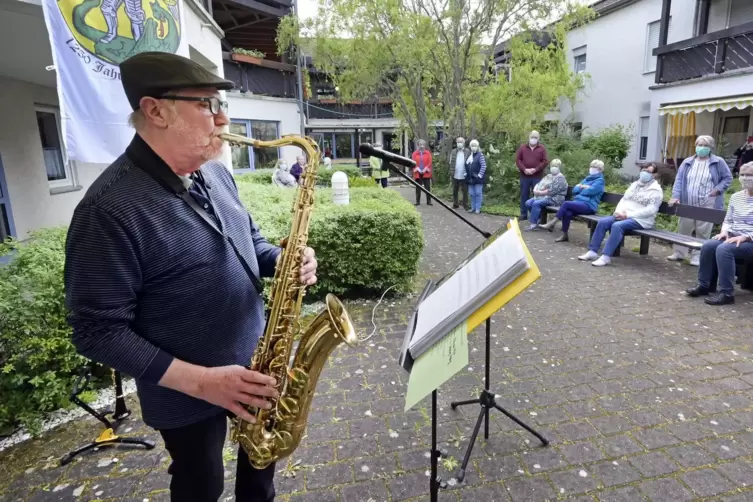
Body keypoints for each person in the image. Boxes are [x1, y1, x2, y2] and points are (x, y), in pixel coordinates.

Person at [63, 52, 319, 502]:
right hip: (185, 393)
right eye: (205, 104)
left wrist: (282, 262)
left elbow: (250, 240)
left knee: (260, 474)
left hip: (259, 362)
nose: (222, 118)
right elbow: (96, 331)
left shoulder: (216, 174)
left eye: (220, 105)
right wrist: (204, 382)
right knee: (202, 486)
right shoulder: (107, 210)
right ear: (155, 110)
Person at [686, 161, 753, 305]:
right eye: (742, 175)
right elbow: (728, 219)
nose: (745, 178)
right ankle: (705, 285)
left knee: (724, 249)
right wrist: (725, 232)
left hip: (750, 241)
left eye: (749, 175)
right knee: (709, 245)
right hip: (734, 237)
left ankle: (726, 293)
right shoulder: (736, 197)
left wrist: (747, 236)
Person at [578, 164, 663, 266]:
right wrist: (618, 212)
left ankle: (606, 257)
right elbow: (624, 199)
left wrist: (628, 215)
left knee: (617, 226)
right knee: (603, 222)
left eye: (649, 172)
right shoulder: (634, 185)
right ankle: (593, 251)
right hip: (624, 215)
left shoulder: (656, 191)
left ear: (654, 175)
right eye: (644, 170)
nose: (645, 173)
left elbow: (651, 210)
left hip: (642, 220)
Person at [667, 135, 733, 266]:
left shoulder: (718, 162)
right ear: (695, 146)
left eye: (705, 146)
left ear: (710, 148)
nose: (702, 148)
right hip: (687, 201)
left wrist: (718, 189)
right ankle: (679, 253)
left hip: (707, 202)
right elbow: (679, 180)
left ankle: (697, 256)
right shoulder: (687, 162)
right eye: (699, 145)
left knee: (702, 232)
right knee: (684, 228)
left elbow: (728, 178)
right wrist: (675, 196)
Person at [541, 160, 605, 242]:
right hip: (579, 204)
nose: (592, 168)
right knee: (567, 212)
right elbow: (575, 190)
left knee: (566, 204)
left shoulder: (600, 181)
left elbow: (590, 192)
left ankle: (552, 223)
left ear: (600, 169)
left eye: (594, 167)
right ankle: (564, 235)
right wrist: (584, 187)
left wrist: (581, 188)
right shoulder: (587, 179)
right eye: (591, 166)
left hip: (589, 206)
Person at [524, 159, 568, 231]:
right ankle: (538, 219)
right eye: (552, 166)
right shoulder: (549, 176)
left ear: (559, 167)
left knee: (536, 203)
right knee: (528, 203)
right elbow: (539, 184)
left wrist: (539, 192)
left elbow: (552, 191)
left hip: (555, 198)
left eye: (556, 166)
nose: (554, 167)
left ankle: (533, 224)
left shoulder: (560, 178)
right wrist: (535, 189)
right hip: (543, 196)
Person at [516, 130, 549, 220]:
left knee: (538, 196)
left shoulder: (542, 148)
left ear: (538, 139)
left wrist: (535, 169)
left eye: (535, 138)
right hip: (525, 176)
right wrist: (524, 169)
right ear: (529, 138)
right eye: (532, 137)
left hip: (537, 176)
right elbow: (518, 160)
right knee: (524, 195)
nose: (533, 139)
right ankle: (523, 214)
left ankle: (537, 215)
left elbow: (545, 161)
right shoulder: (523, 148)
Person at [466, 139, 487, 214]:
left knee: (478, 193)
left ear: (477, 146)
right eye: (472, 146)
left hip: (478, 178)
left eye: (475, 145)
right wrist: (466, 173)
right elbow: (467, 165)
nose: (473, 147)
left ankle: (478, 208)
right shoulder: (469, 155)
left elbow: (484, 166)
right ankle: (473, 207)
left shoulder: (480, 155)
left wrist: (479, 175)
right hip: (470, 178)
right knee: (472, 193)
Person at [449, 136, 471, 209]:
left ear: (464, 143)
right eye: (458, 142)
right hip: (455, 174)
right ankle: (455, 204)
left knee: (465, 190)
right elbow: (450, 162)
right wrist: (451, 171)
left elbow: (470, 162)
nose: (459, 144)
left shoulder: (468, 151)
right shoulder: (453, 151)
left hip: (464, 174)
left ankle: (465, 205)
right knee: (455, 190)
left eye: (461, 142)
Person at [411, 139, 433, 205]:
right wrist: (417, 169)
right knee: (418, 187)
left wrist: (425, 169)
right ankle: (417, 201)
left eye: (423, 145)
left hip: (426, 172)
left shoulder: (428, 152)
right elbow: (413, 162)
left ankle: (429, 201)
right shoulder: (415, 153)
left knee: (427, 187)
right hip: (418, 172)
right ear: (418, 145)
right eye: (420, 144)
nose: (422, 146)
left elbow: (430, 162)